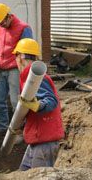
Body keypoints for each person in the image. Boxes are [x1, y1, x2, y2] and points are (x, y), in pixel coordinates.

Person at [11, 38, 65, 170]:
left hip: (45, 142)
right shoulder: (28, 76)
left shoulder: (37, 78)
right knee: (23, 176)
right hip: (37, 139)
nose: (15, 61)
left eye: (16, 57)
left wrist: (38, 106)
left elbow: (51, 101)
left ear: (21, 57)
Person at [0, 3, 33, 137]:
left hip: (15, 69)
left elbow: (27, 50)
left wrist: (24, 70)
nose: (1, 26)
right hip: (1, 68)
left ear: (8, 17)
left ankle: (20, 133)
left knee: (16, 102)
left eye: (2, 23)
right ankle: (2, 127)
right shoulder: (0, 28)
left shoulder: (24, 28)